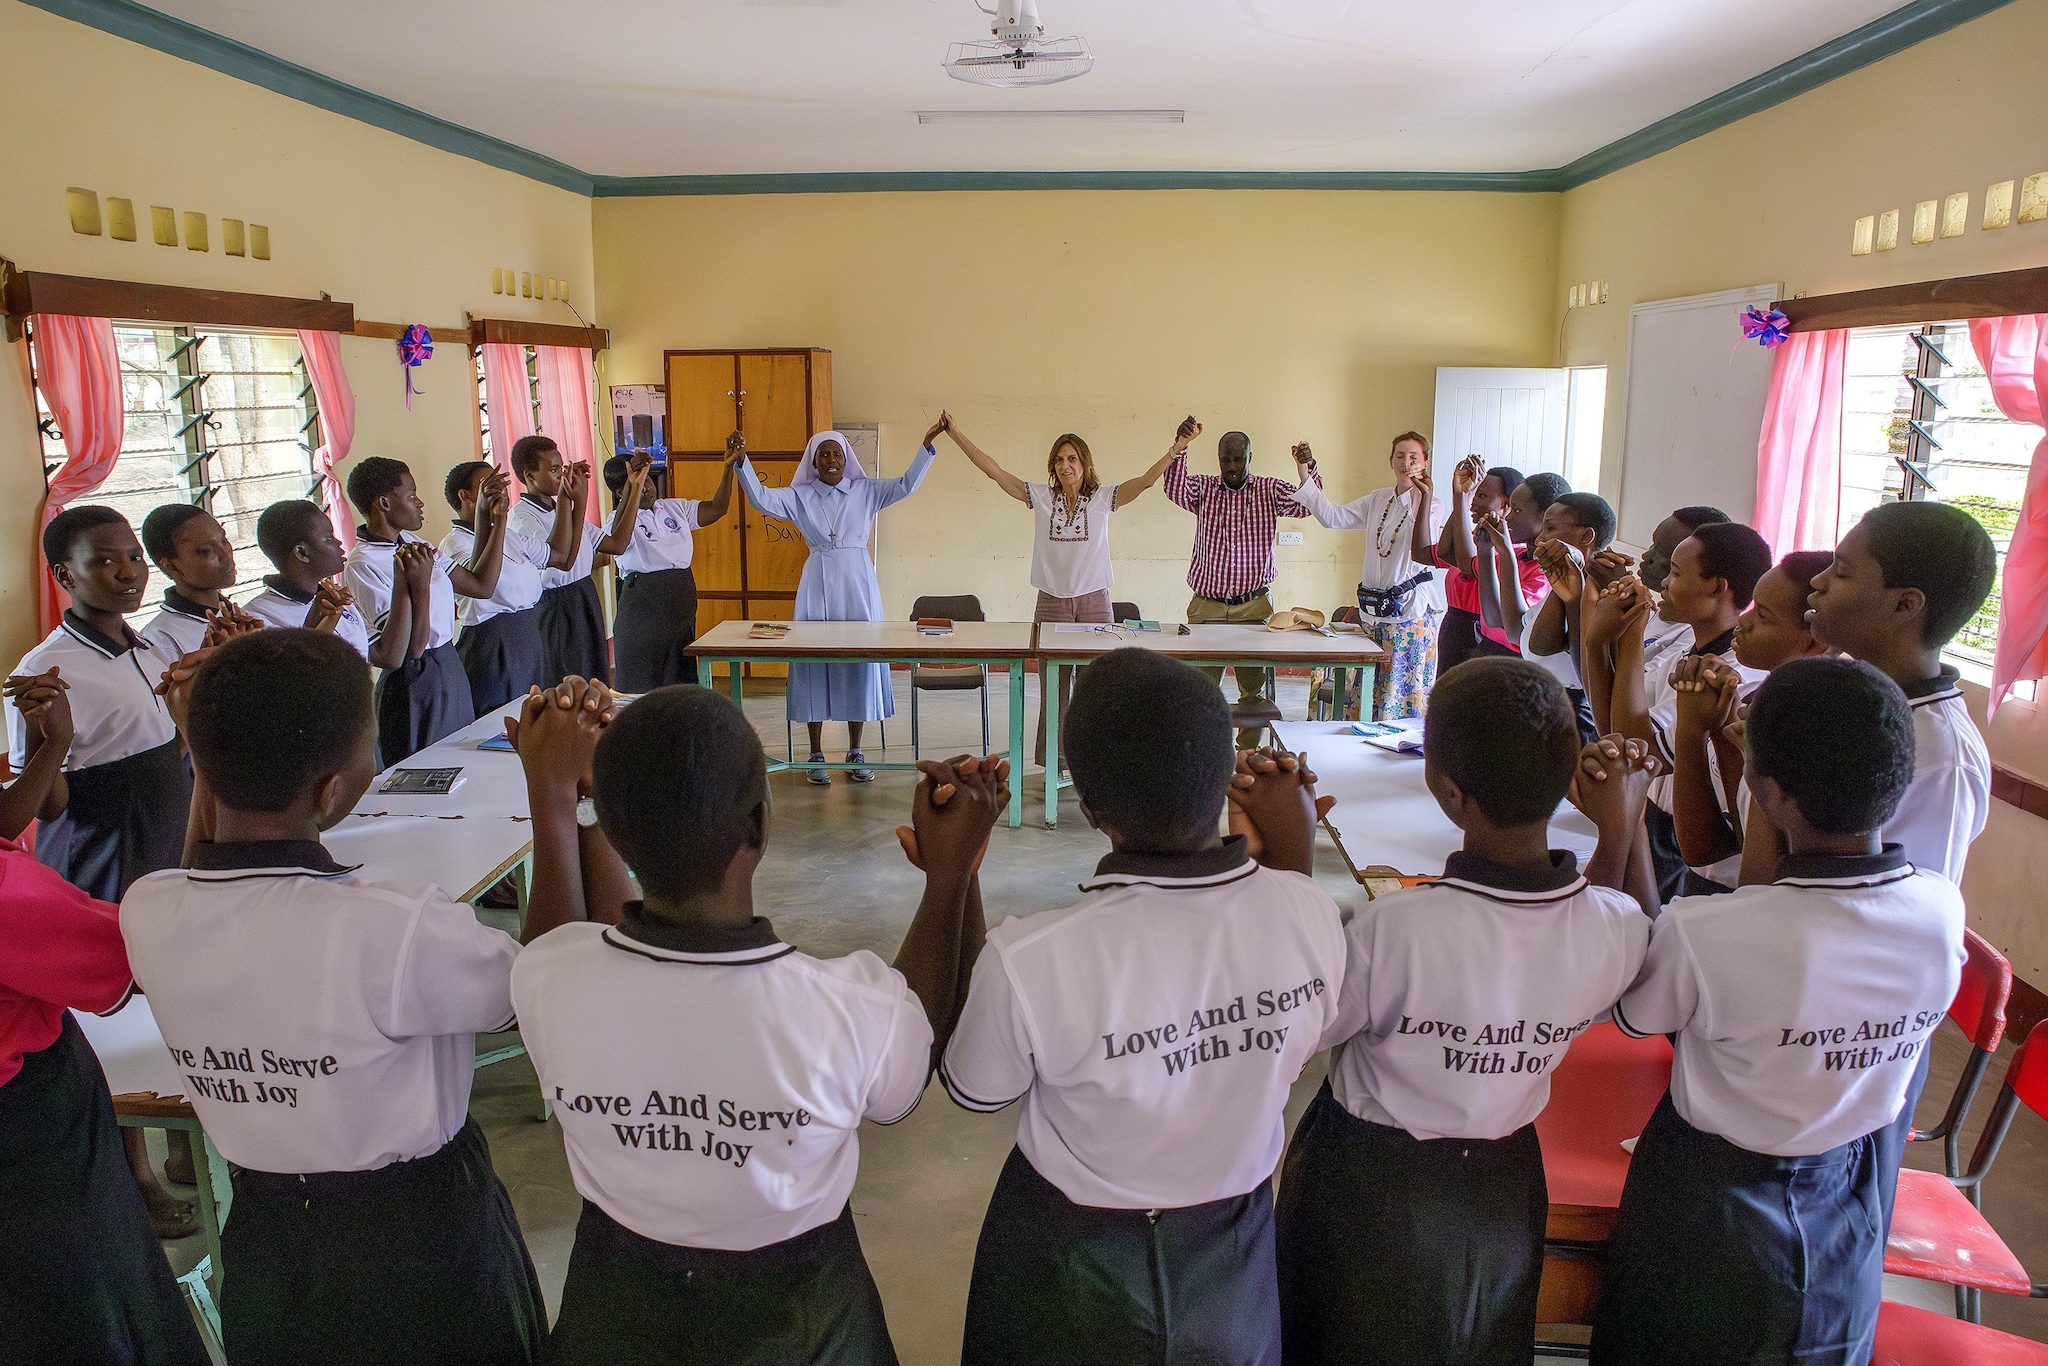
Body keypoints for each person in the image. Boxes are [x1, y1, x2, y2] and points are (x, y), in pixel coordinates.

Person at [510, 681, 1006, 1364]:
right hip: (805, 1329)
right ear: (759, 826)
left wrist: (556, 797)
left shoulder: (548, 980)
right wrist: (951, 875)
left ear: (615, 828)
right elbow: (914, 1044)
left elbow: (572, 930)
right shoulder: (845, 1010)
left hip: (615, 1318)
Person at [120, 629, 546, 1365]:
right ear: (332, 792)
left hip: (264, 1239)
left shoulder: (148, 911)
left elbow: (200, 877)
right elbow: (545, 987)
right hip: (422, 1238)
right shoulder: (395, 927)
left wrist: (205, 754)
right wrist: (557, 794)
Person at [940, 648, 1347, 1365]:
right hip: (1233, 1262)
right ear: (1226, 779)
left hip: (1069, 1277)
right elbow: (1287, 982)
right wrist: (1292, 848)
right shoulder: (1311, 913)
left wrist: (956, 877)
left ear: (1091, 810)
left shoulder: (1032, 958)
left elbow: (976, 1088)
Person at [1276, 659, 1657, 1366]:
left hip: (1367, 1191)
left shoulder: (1395, 929)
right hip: (1503, 1187)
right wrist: (1620, 832)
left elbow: (1295, 1030)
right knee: (1482, 1339)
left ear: (1449, 794)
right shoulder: (1616, 926)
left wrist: (1287, 861)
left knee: (1338, 1340)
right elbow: (1607, 928)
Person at [1593, 657, 1966, 1366]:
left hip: (1708, 1209)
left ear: (1764, 789)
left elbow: (1635, 1008)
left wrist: (1629, 822)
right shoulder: (1941, 911)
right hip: (1846, 1202)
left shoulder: (1713, 932)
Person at [0, 677, 208, 1366]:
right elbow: (150, 948)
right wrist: (206, 773)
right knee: (90, 1293)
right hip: (31, 1128)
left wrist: (50, 744)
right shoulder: (11, 900)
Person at [938, 412, 1184, 759]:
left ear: (1084, 461)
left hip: (1094, 603)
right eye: (1059, 459)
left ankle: (1095, 763)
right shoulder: (1040, 498)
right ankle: (1054, 762)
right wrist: (957, 434)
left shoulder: (1103, 498)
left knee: (1095, 689)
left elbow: (1145, 481)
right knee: (1053, 690)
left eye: (1071, 458)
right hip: (1051, 603)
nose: (1065, 464)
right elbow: (993, 471)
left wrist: (1175, 450)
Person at [7, 507, 192, 905]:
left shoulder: (148, 650)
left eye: (135, 557)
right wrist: (54, 740)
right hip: (102, 855)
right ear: (65, 576)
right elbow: (46, 808)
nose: (129, 572)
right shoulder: (44, 671)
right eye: (106, 561)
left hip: (162, 838)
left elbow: (165, 754)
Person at [1583, 521, 1773, 905]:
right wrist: (1597, 642)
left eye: (1676, 571)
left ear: (1717, 587)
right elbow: (1615, 734)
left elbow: (1641, 749)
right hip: (1655, 813)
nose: (1664, 582)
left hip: (1691, 838)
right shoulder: (1686, 657)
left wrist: (1631, 635)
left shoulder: (1734, 672)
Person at [737, 425, 939, 783]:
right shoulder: (800, 496)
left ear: (847, 460)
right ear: (814, 462)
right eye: (824, 454)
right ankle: (815, 752)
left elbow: (906, 485)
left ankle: (855, 749)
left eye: (837, 454)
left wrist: (925, 446)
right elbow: (762, 499)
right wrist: (742, 463)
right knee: (814, 662)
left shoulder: (865, 491)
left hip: (858, 582)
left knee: (857, 662)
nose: (832, 460)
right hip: (817, 580)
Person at [1665, 551, 1832, 893]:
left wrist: (1692, 730)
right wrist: (1713, 725)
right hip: (1719, 886)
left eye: (1764, 616)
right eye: (1752, 606)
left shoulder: (1807, 728)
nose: (1743, 621)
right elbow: (1723, 840)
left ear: (1813, 642)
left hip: (1751, 906)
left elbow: (1736, 865)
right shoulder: (1758, 704)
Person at [343, 456, 511, 768]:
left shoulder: (414, 543)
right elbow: (411, 648)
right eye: (411, 494)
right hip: (413, 681)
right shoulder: (363, 564)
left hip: (447, 664)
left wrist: (496, 519)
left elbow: (480, 585)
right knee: (425, 770)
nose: (420, 502)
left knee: (461, 762)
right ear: (384, 503)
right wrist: (415, 586)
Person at [1165, 428, 1324, 745]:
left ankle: (1247, 755)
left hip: (1253, 607)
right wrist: (1180, 448)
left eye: (1239, 458)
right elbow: (1174, 490)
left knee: (1253, 691)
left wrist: (1307, 469)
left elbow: (1308, 506)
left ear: (1250, 457)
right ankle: (1203, 752)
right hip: (1206, 607)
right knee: (1198, 689)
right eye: (1226, 459)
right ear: (1218, 459)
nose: (1232, 466)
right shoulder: (1204, 488)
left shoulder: (1269, 490)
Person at [1289, 431, 1446, 720]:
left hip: (1409, 614)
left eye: (1414, 457)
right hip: (1373, 614)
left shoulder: (1432, 504)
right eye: (1400, 456)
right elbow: (1332, 517)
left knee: (1398, 699)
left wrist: (1423, 494)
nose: (1406, 463)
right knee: (1367, 694)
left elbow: (1422, 539)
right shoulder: (1379, 499)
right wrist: (1304, 474)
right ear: (1391, 461)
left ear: (1425, 463)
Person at [600, 437, 741, 693]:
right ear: (620, 492)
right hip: (643, 606)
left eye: (647, 480)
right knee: (643, 685)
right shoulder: (615, 521)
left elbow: (718, 508)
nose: (645, 488)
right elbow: (619, 539)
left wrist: (728, 467)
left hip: (679, 601)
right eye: (635, 484)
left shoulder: (673, 508)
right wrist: (633, 489)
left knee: (679, 681)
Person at [442, 460, 553, 712]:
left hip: (526, 631)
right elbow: (479, 582)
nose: (501, 490)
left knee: (532, 711)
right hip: (492, 639)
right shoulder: (453, 543)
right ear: (466, 495)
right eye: (489, 485)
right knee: (498, 717)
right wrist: (497, 520)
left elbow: (561, 557)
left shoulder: (511, 536)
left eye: (502, 484)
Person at [507, 435, 609, 687]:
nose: (561, 476)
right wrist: (576, 501)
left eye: (562, 468)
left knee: (593, 678)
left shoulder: (557, 509)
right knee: (567, 683)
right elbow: (563, 560)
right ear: (528, 475)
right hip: (556, 605)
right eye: (553, 470)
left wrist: (633, 486)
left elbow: (615, 544)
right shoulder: (522, 518)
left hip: (583, 595)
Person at [1524, 491, 1625, 741]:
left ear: (1585, 536)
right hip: (1542, 694)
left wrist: (1576, 571)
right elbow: (1531, 641)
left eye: (1549, 528)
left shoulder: (1602, 588)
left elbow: (1543, 645)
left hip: (1574, 707)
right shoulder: (1559, 580)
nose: (1539, 539)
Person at [1415, 458, 1525, 674]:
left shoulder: (1507, 551)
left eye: (1481, 496)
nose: (1474, 502)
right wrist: (1456, 497)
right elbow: (1426, 553)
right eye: (1474, 495)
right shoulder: (1476, 538)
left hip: (1478, 635)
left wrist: (1461, 499)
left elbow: (1466, 561)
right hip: (1453, 629)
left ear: (1506, 504)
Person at [245, 500, 371, 658]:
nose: (338, 543)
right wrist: (315, 627)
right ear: (302, 553)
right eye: (328, 538)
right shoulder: (259, 618)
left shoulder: (336, 599)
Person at [140, 503, 254, 659]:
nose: (225, 555)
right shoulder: (161, 638)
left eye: (224, 540)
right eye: (206, 551)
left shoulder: (239, 616)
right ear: (171, 565)